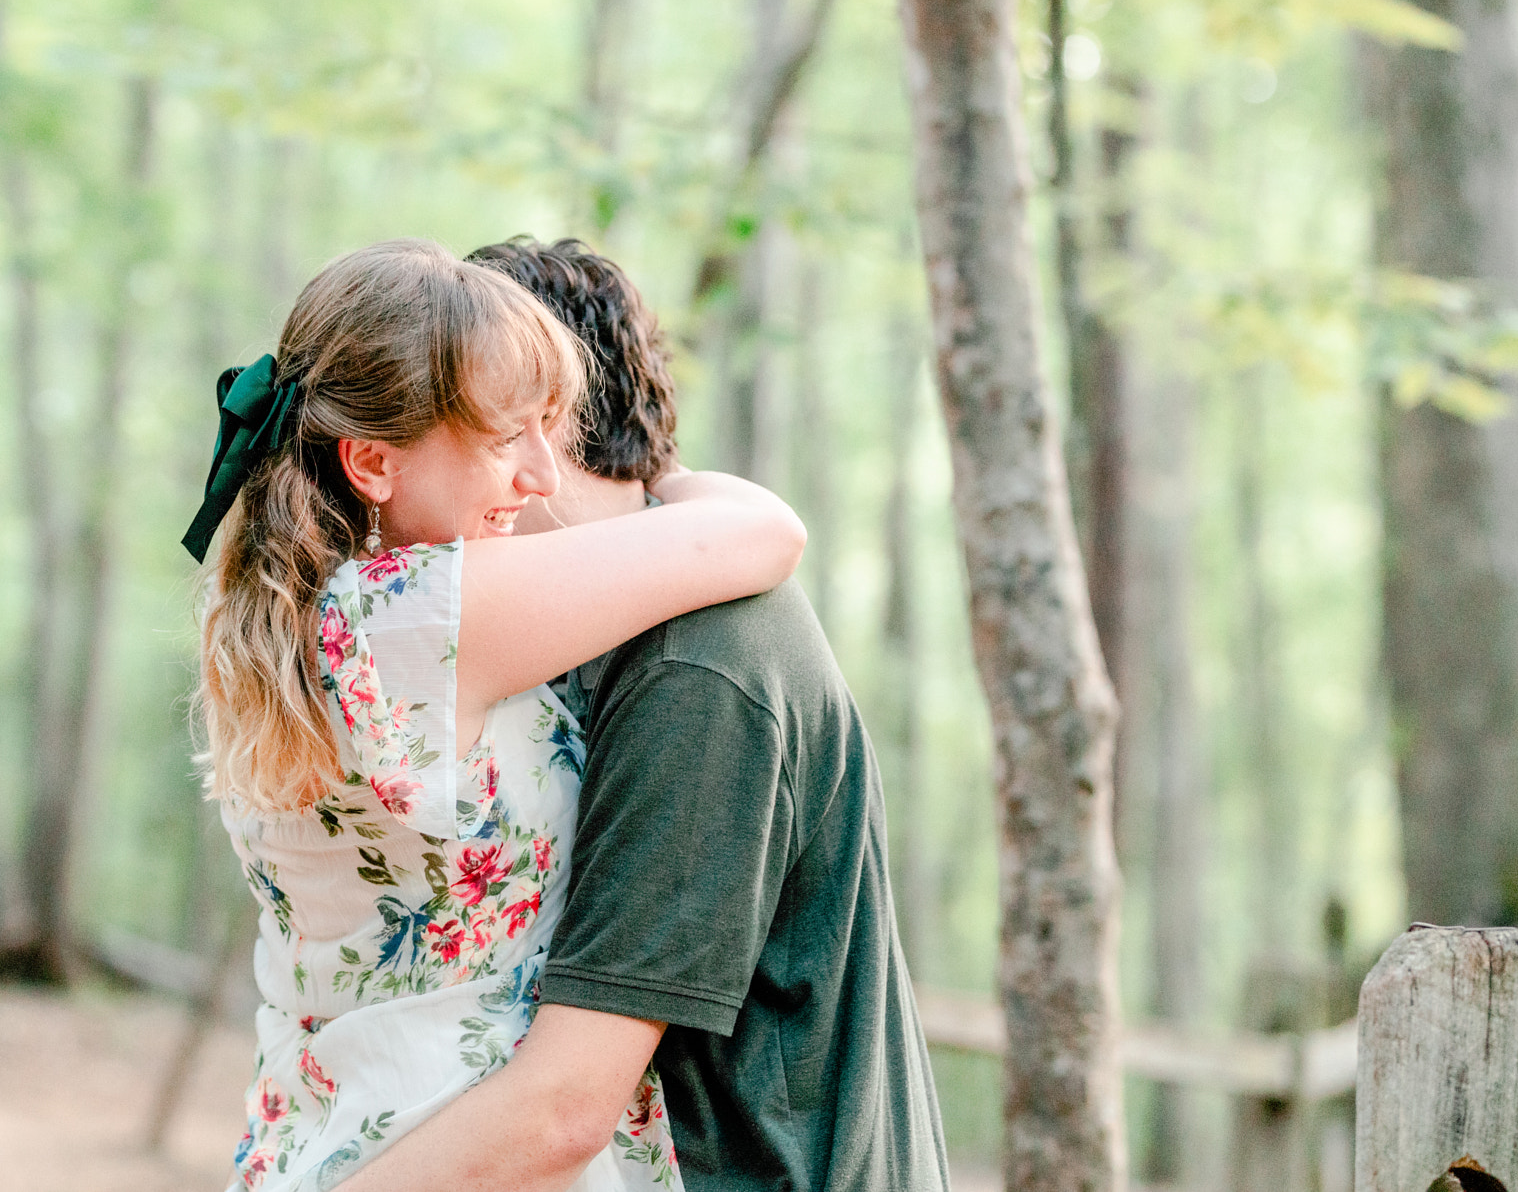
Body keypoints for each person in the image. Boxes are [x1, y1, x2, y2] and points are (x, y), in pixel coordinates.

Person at [188, 238, 806, 1191]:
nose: (543, 476)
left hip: (330, 1139)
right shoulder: (429, 615)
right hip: (465, 1156)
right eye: (500, 437)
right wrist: (657, 483)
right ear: (373, 462)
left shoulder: (295, 610)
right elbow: (765, 531)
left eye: (546, 428)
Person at [341, 238, 950, 1192]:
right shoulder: (600, 632)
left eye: (478, 419)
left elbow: (563, 1106)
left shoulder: (695, 665)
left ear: (552, 422)